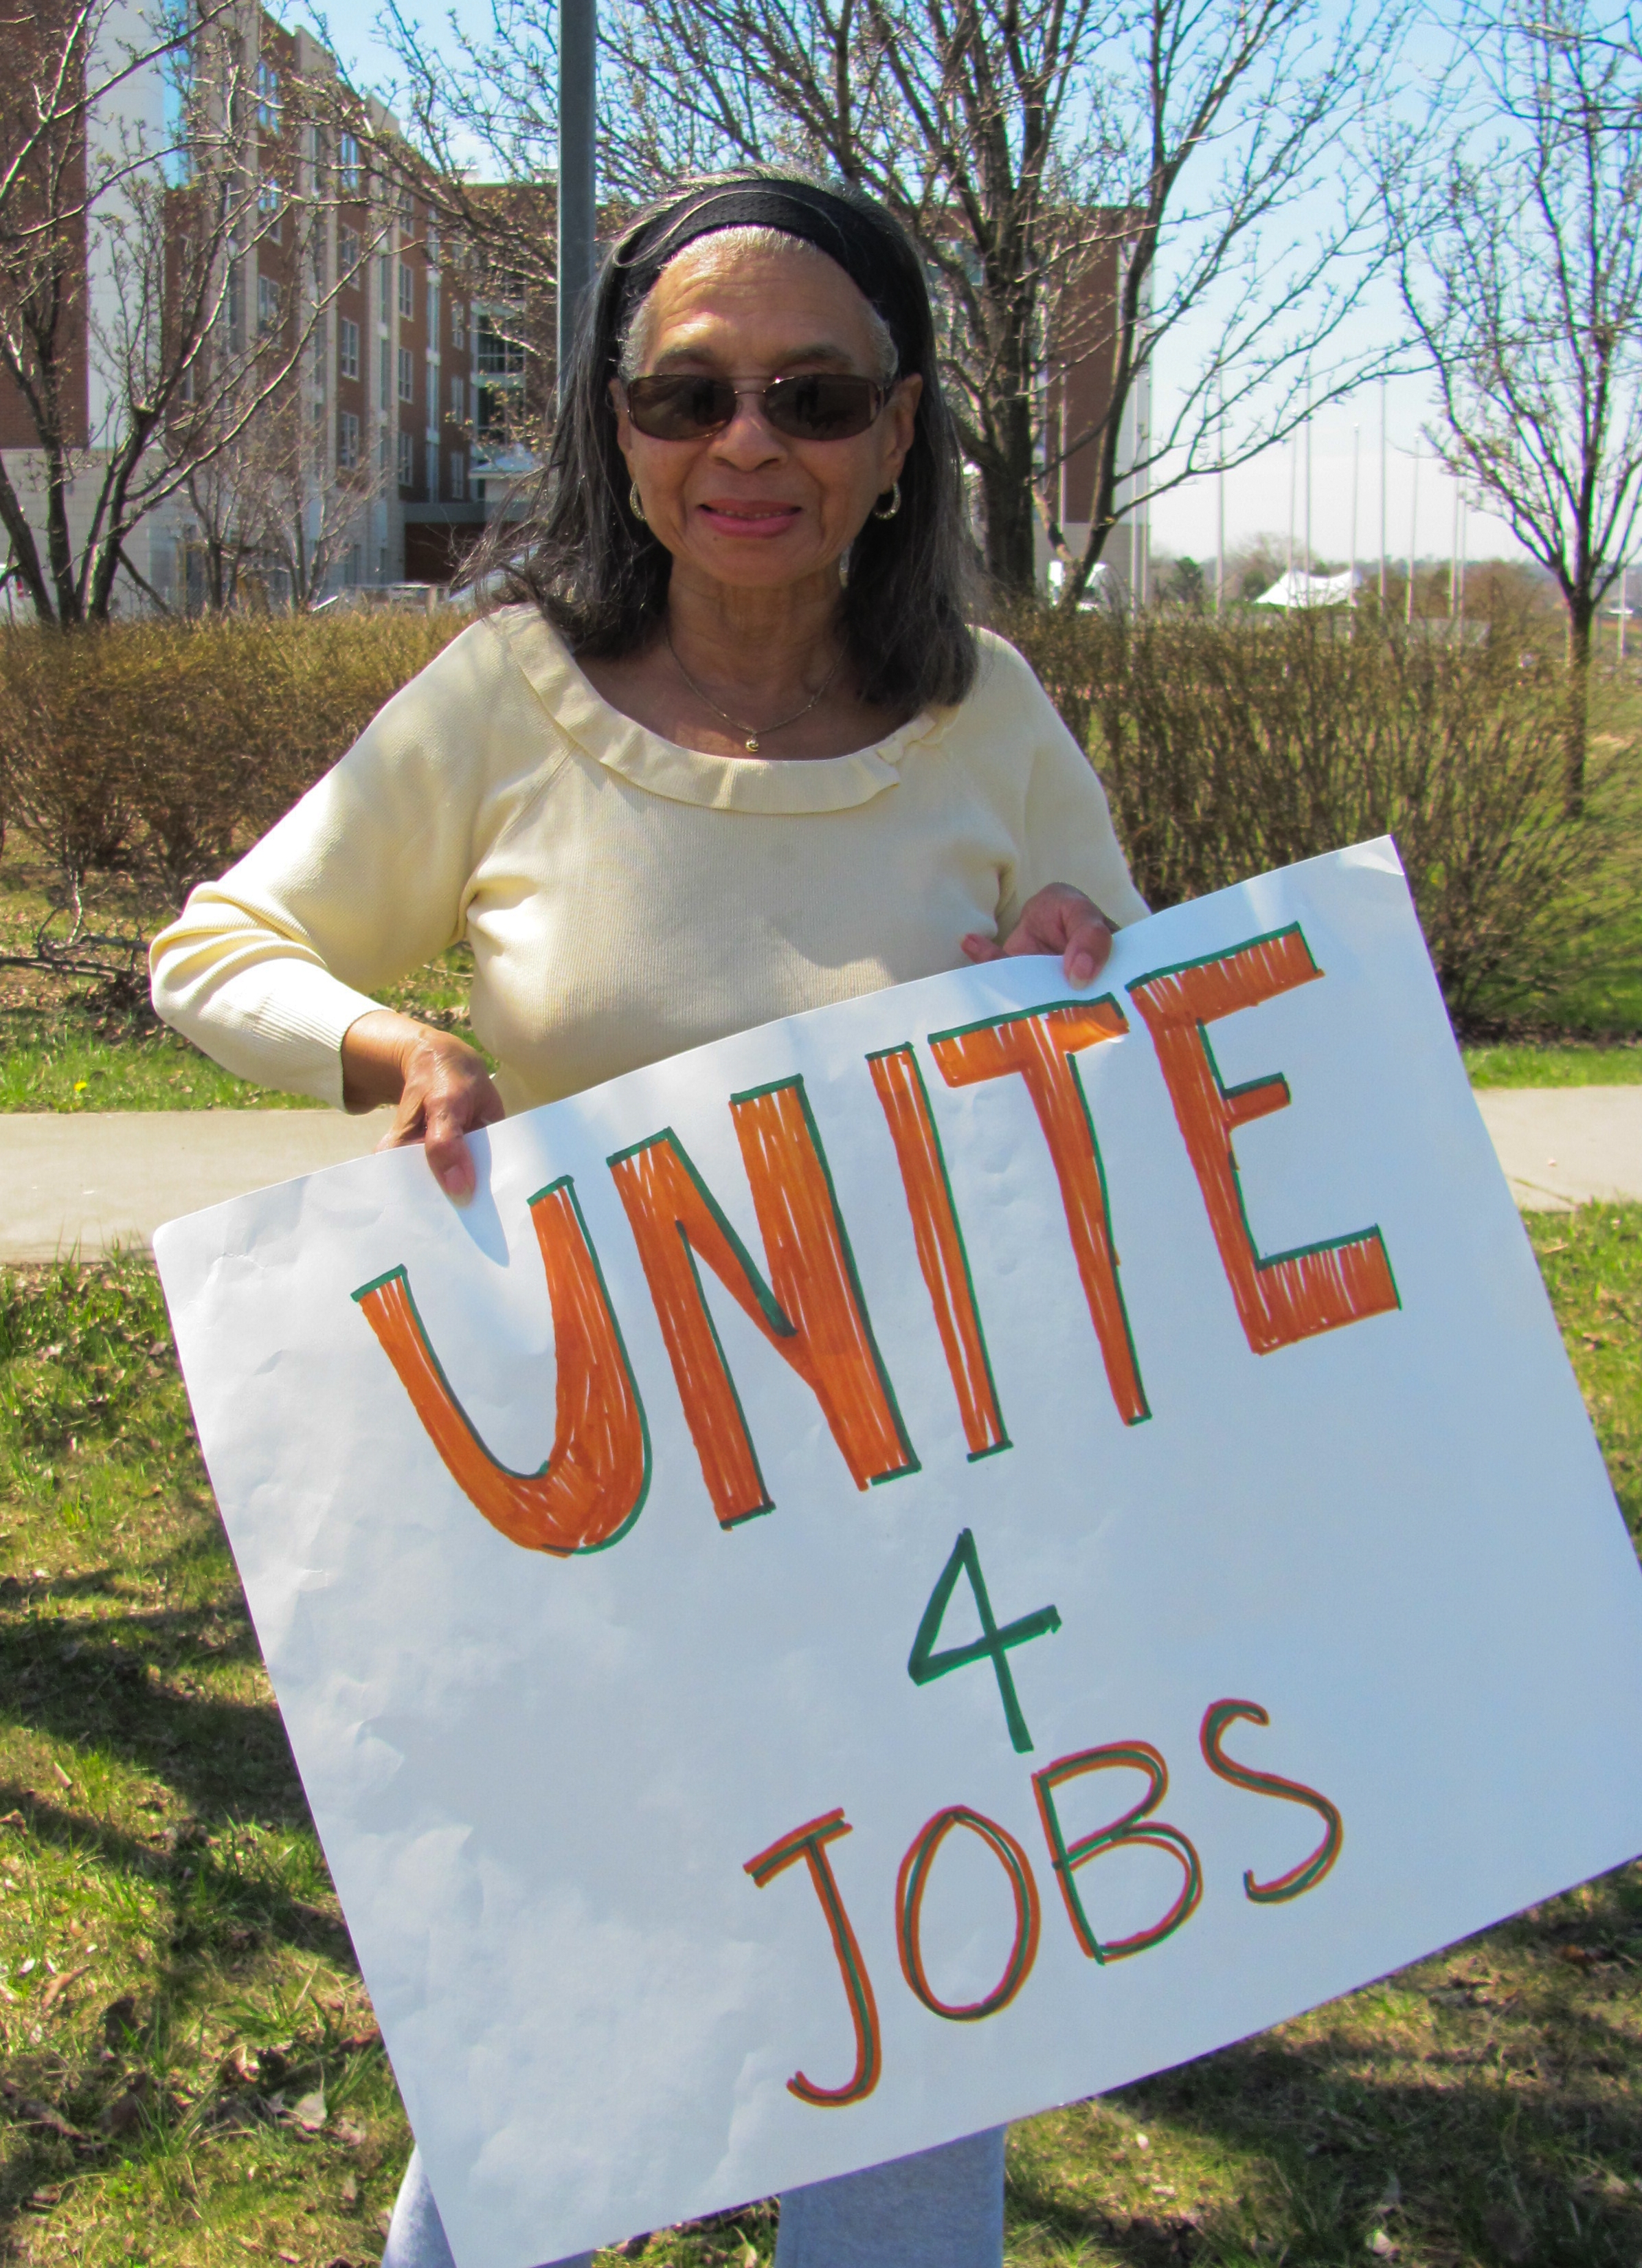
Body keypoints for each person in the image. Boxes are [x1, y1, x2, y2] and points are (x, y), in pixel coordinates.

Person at [150, 171, 1149, 2268]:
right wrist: (385, 1051)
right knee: (540, 2097)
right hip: (593, 1545)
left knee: (910, 2095)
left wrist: (1084, 969)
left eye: (812, 391)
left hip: (919, 1555)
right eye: (686, 396)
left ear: (899, 435)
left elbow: (1134, 1043)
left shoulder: (995, 720)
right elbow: (217, 945)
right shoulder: (511, 698)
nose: (747, 446)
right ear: (616, 428)